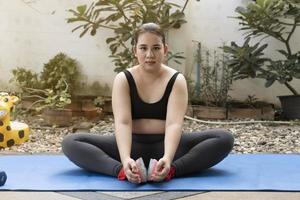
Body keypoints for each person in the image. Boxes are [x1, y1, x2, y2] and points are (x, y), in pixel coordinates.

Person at [62, 22, 234, 184]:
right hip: (130, 144)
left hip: (168, 146)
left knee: (224, 138)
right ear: (134, 51)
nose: (149, 55)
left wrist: (167, 158)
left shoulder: (176, 80)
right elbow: (123, 122)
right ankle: (121, 171)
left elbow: (174, 124)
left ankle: (171, 170)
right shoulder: (123, 79)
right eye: (143, 48)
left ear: (165, 50)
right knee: (71, 142)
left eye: (156, 48)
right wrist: (125, 159)